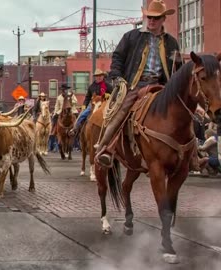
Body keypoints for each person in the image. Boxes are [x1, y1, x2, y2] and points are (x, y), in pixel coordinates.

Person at [94, 0, 182, 167]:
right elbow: (118, 58)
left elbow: (178, 68)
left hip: (162, 87)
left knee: (185, 110)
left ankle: (192, 154)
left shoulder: (172, 42)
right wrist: (118, 78)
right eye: (149, 17)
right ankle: (106, 148)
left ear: (163, 19)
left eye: (156, 18)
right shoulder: (132, 36)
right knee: (122, 110)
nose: (151, 21)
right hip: (135, 85)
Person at [69, 69, 113, 136]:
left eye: (100, 75)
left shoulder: (108, 86)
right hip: (93, 104)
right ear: (95, 77)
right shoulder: (91, 87)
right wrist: (84, 106)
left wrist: (109, 96)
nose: (99, 77)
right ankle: (75, 129)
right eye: (97, 76)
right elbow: (87, 98)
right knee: (82, 115)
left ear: (103, 76)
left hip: (105, 104)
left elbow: (114, 95)